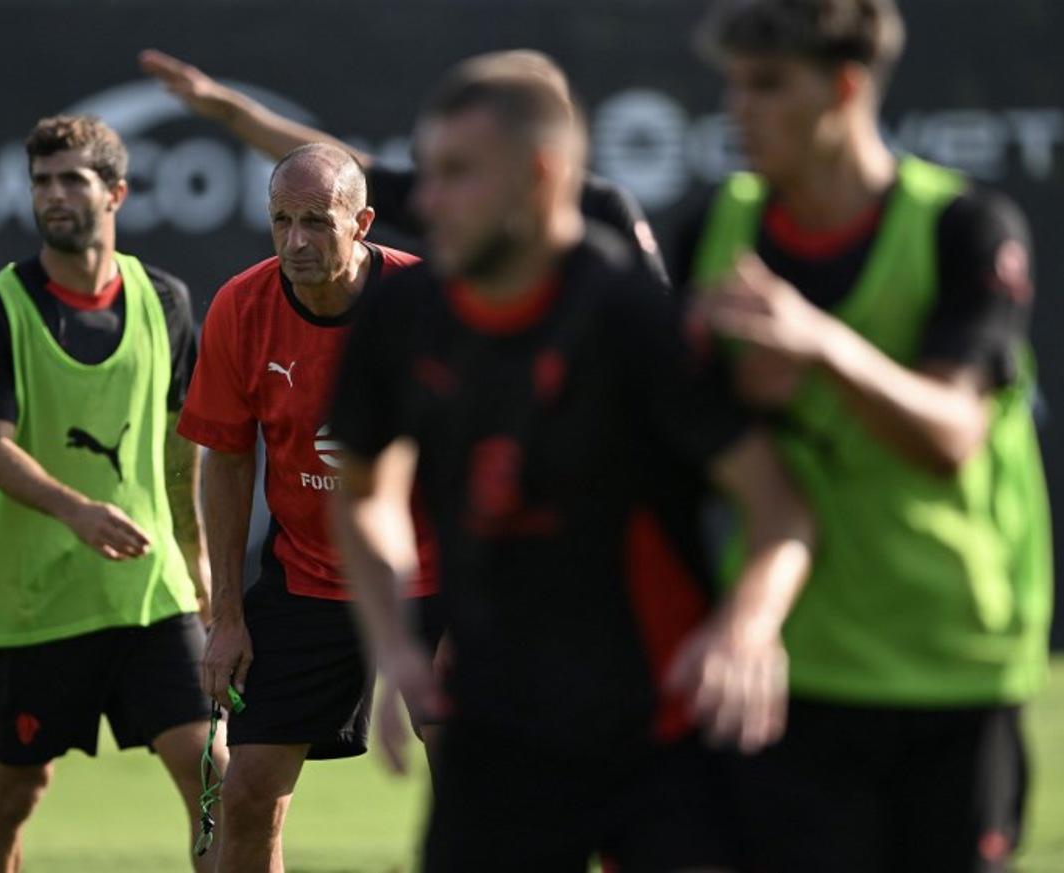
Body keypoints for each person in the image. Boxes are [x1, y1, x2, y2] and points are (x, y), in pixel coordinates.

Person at [329, 60, 814, 873]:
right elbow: (362, 492)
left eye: (456, 175)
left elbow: (777, 505)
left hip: (659, 729)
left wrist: (749, 624)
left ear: (540, 176)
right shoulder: (399, 316)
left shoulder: (632, 318)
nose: (428, 201)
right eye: (426, 172)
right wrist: (394, 642)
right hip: (495, 726)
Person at [680, 2, 1053, 871]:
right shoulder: (719, 229)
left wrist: (821, 345)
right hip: (792, 668)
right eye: (733, 85)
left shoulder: (962, 226)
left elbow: (952, 433)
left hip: (953, 661)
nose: (740, 108)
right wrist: (732, 386)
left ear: (846, 86)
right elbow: (684, 436)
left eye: (768, 85)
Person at [0, 115, 222, 873]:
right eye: (42, 180)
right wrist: (78, 510)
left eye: (73, 178)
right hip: (36, 603)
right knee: (15, 792)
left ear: (118, 193)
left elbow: (180, 448)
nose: (54, 194)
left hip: (149, 594)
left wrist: (196, 555)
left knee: (215, 779)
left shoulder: (164, 299)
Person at [176, 142, 443, 873]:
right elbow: (226, 460)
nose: (296, 241)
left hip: (436, 573)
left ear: (362, 222)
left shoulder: (425, 302)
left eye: (317, 222)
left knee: (468, 766)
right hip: (307, 578)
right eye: (281, 220)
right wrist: (226, 615)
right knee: (247, 789)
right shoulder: (241, 304)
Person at [138, 47, 669, 284]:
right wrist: (228, 108)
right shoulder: (419, 298)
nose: (436, 201)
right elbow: (343, 166)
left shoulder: (604, 216)